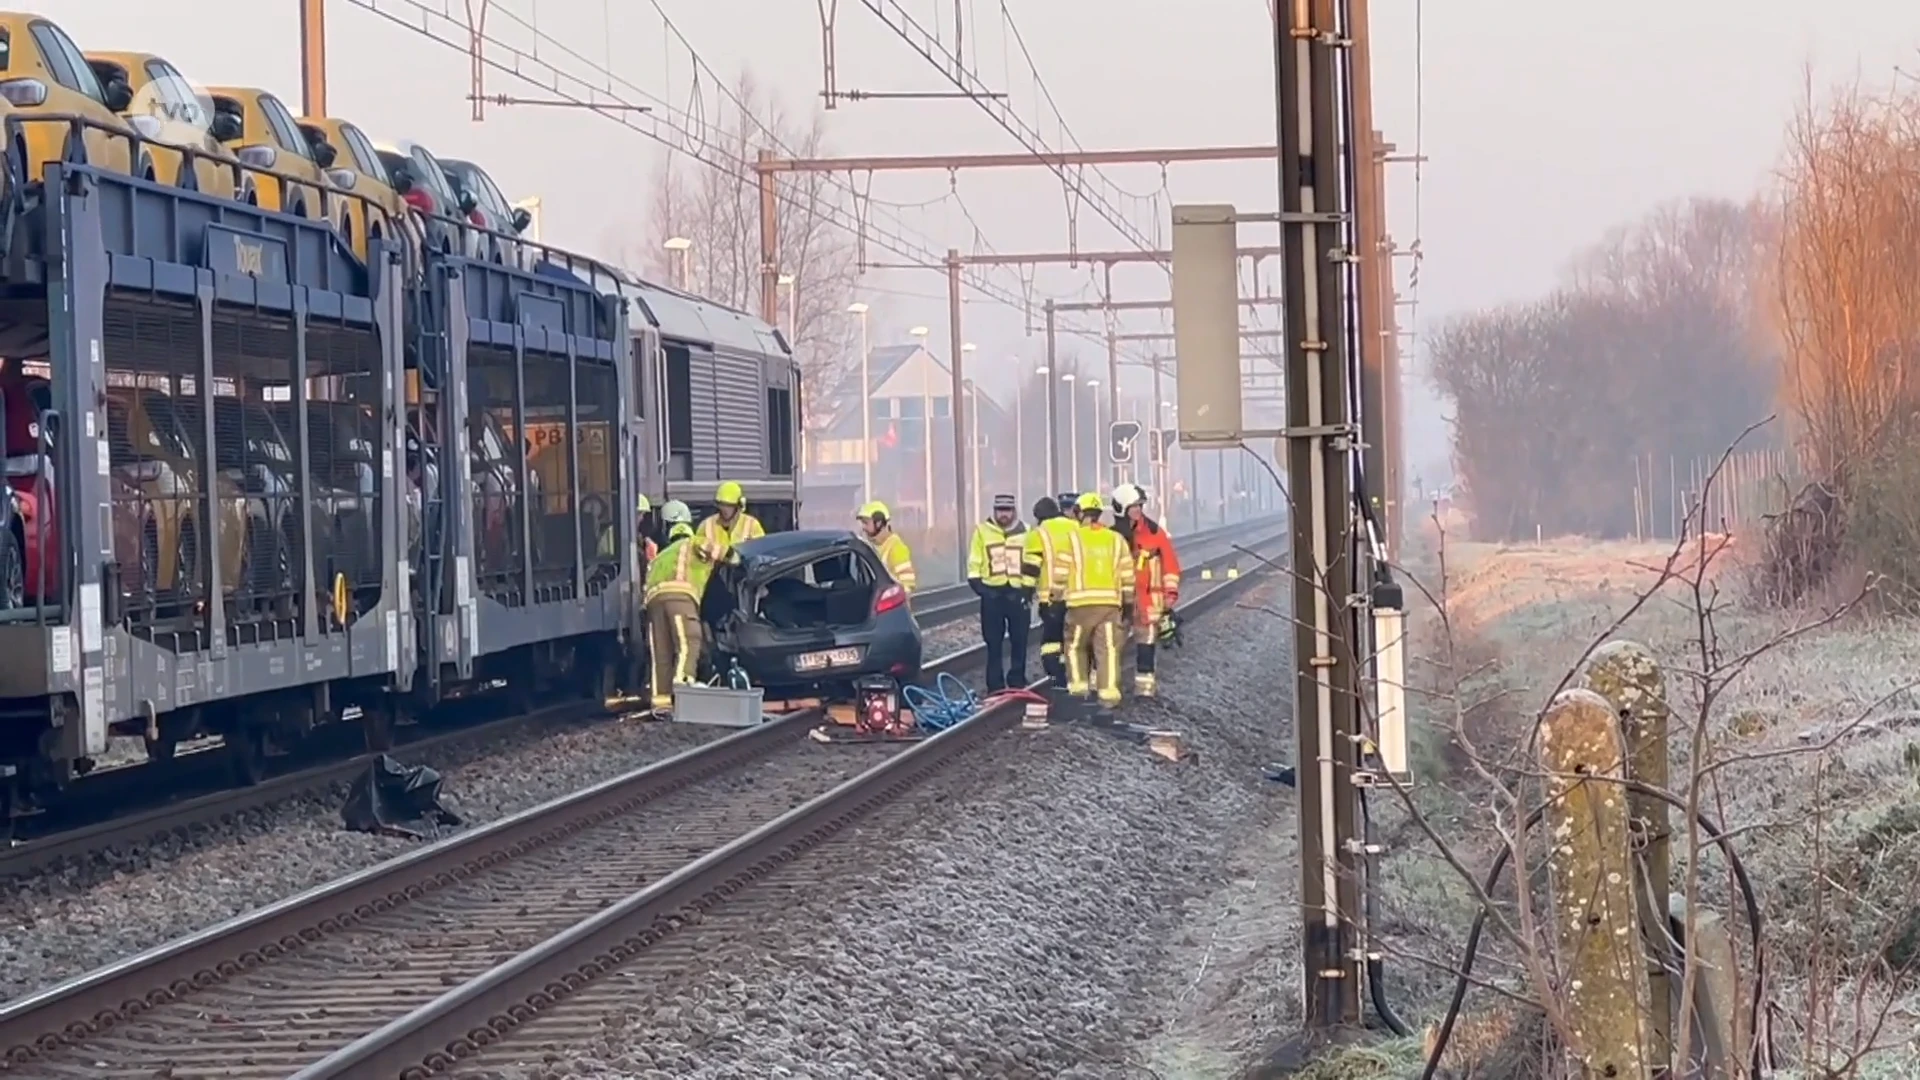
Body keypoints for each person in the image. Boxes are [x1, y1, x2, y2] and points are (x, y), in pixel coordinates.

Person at [1060, 492, 1135, 708]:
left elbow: (1060, 571)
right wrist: (1128, 602)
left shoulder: (1072, 539)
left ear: (1078, 513)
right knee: (1108, 650)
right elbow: (1127, 575)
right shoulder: (1115, 539)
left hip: (1079, 605)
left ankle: (1078, 691)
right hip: (1110, 605)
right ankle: (1109, 696)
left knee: (1075, 647)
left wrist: (1054, 596)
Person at [1111, 483, 1181, 698]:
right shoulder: (1111, 536)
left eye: (1140, 506)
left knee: (1146, 646)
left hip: (1147, 602)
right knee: (1111, 647)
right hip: (1119, 602)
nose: (1138, 511)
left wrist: (1170, 595)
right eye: (1134, 507)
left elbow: (1170, 565)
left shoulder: (1154, 533)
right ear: (1121, 509)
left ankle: (1145, 692)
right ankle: (1107, 691)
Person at [642, 519, 712, 714]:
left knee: (660, 653)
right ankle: (683, 686)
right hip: (680, 597)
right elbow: (712, 547)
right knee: (689, 639)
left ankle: (661, 703)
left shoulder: (660, 556)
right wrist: (733, 556)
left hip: (653, 602)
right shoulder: (693, 544)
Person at [968, 494, 1033, 691]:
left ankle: (1017, 679)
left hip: (1018, 592)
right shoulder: (982, 532)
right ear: (994, 511)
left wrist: (1028, 590)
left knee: (1020, 639)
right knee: (993, 642)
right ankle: (995, 684)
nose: (1003, 515)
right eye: (1000, 510)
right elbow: (974, 562)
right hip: (992, 593)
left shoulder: (1027, 532)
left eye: (1007, 510)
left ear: (1014, 511)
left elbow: (1032, 562)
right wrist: (981, 589)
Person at [1023, 495, 1079, 687]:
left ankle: (1056, 674)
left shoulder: (1038, 533)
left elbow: (1032, 567)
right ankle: (1074, 673)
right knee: (1072, 637)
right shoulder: (1075, 527)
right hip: (1078, 595)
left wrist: (1026, 592)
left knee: (1051, 641)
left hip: (1052, 598)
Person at [697, 480, 765, 563]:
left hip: (744, 574)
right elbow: (698, 556)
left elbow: (762, 554)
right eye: (722, 504)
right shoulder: (706, 525)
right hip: (714, 574)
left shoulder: (752, 525)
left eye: (729, 505)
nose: (725, 509)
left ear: (738, 506)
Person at [857, 501, 917, 593]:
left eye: (866, 523)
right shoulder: (871, 546)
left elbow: (907, 586)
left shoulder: (896, 548)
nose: (863, 528)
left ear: (879, 523)